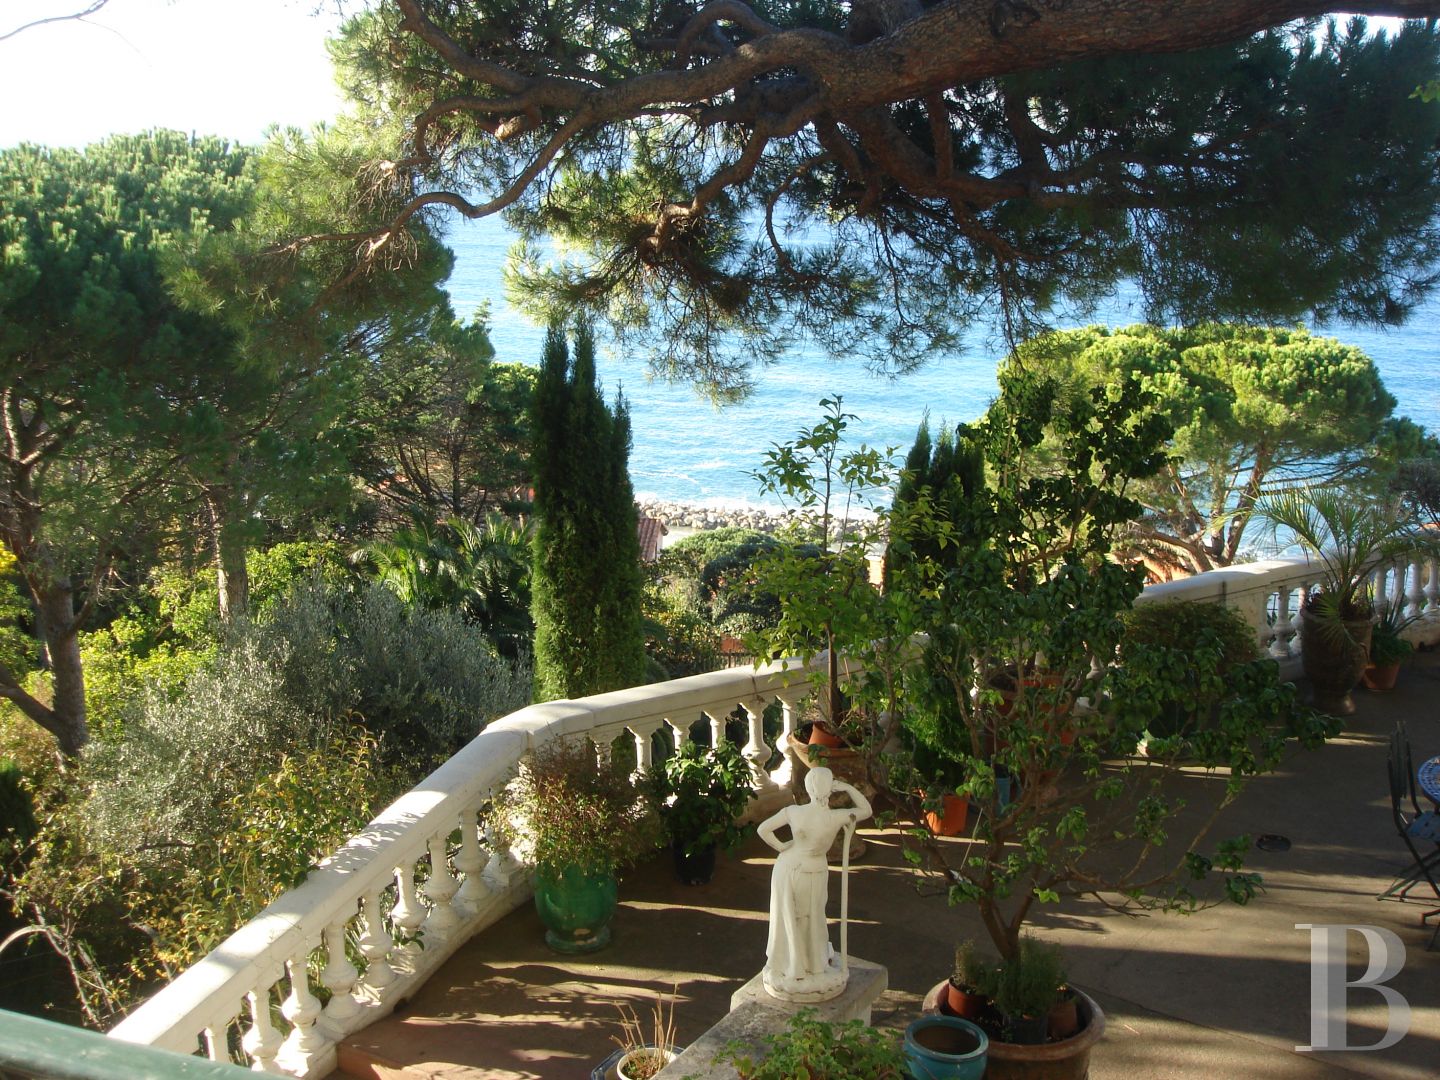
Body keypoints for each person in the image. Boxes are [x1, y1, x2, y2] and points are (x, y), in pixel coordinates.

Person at [757, 766, 872, 1001]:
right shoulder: (835, 817)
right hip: (815, 869)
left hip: (789, 867)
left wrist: (783, 847)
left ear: (808, 788)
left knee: (791, 916)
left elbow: (763, 829)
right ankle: (810, 964)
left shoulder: (793, 812)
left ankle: (794, 964)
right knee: (812, 915)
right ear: (829, 789)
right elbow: (866, 810)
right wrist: (848, 787)